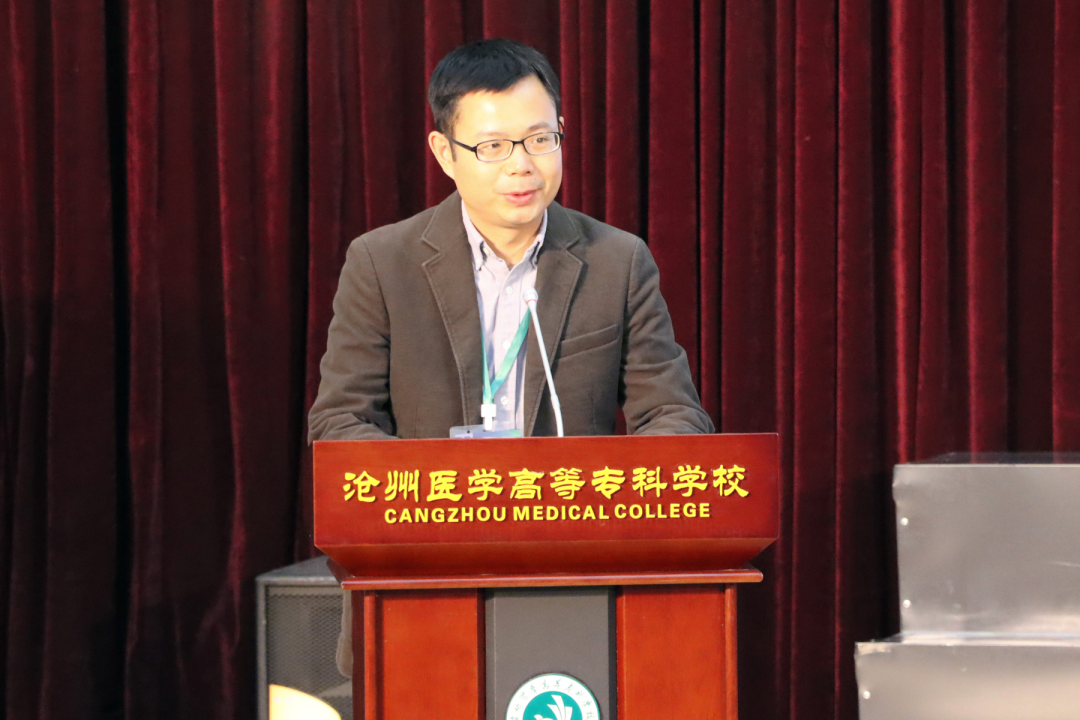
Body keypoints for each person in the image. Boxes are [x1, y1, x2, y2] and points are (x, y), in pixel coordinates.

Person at [308, 38, 713, 676]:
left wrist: (605, 502)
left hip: (580, 589)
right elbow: (339, 424)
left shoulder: (617, 261)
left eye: (539, 139)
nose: (521, 166)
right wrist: (450, 502)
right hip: (422, 596)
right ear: (445, 152)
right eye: (493, 146)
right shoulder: (382, 263)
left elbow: (675, 415)